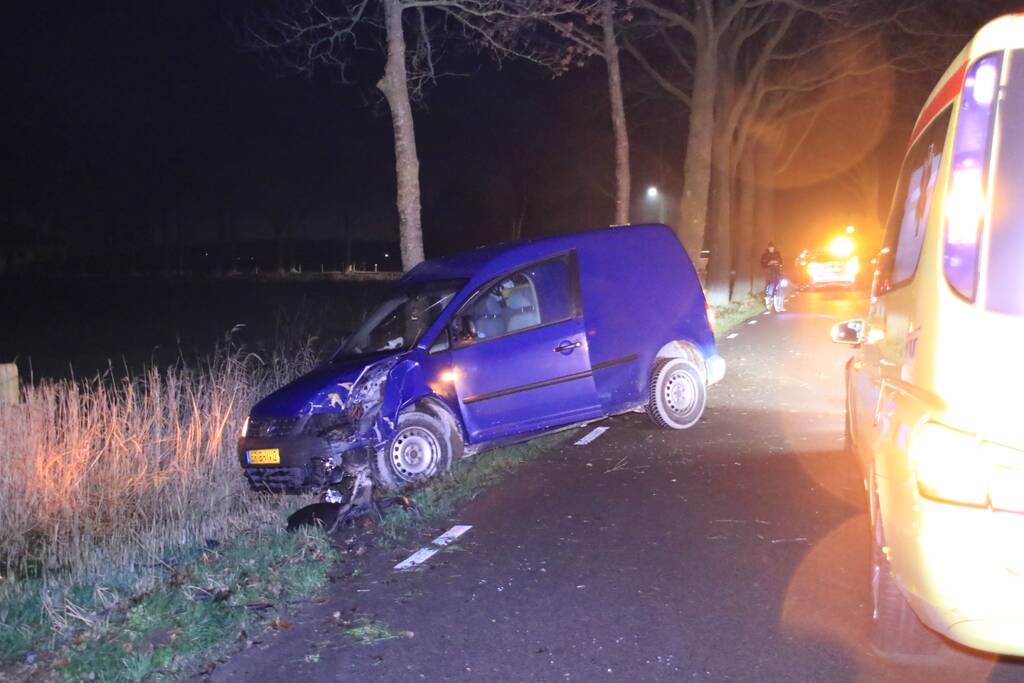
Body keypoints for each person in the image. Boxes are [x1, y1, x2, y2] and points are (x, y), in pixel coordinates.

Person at [760, 242, 785, 311]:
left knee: (781, 286)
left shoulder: (777, 254)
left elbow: (781, 262)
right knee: (771, 285)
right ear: (768, 248)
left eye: (772, 247)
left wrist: (778, 263)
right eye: (770, 247)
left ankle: (780, 305)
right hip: (769, 273)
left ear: (774, 248)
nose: (771, 249)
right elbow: (763, 264)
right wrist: (769, 263)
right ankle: (769, 298)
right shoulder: (765, 255)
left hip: (777, 272)